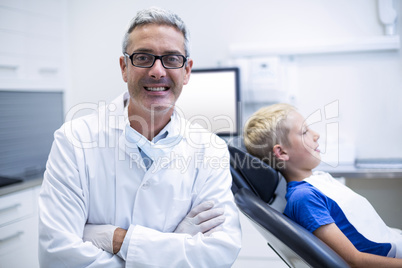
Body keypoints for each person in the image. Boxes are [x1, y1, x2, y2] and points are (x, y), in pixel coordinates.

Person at [38, 7, 241, 267]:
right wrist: (172, 246)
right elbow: (56, 255)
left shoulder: (211, 149)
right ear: (124, 67)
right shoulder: (74, 140)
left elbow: (220, 252)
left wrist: (118, 240)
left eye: (171, 59)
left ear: (187, 70)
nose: (157, 71)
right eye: (143, 58)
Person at [243, 103, 402, 267]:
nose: (316, 135)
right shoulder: (304, 198)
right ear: (282, 153)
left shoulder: (318, 180)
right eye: (304, 132)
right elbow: (353, 261)